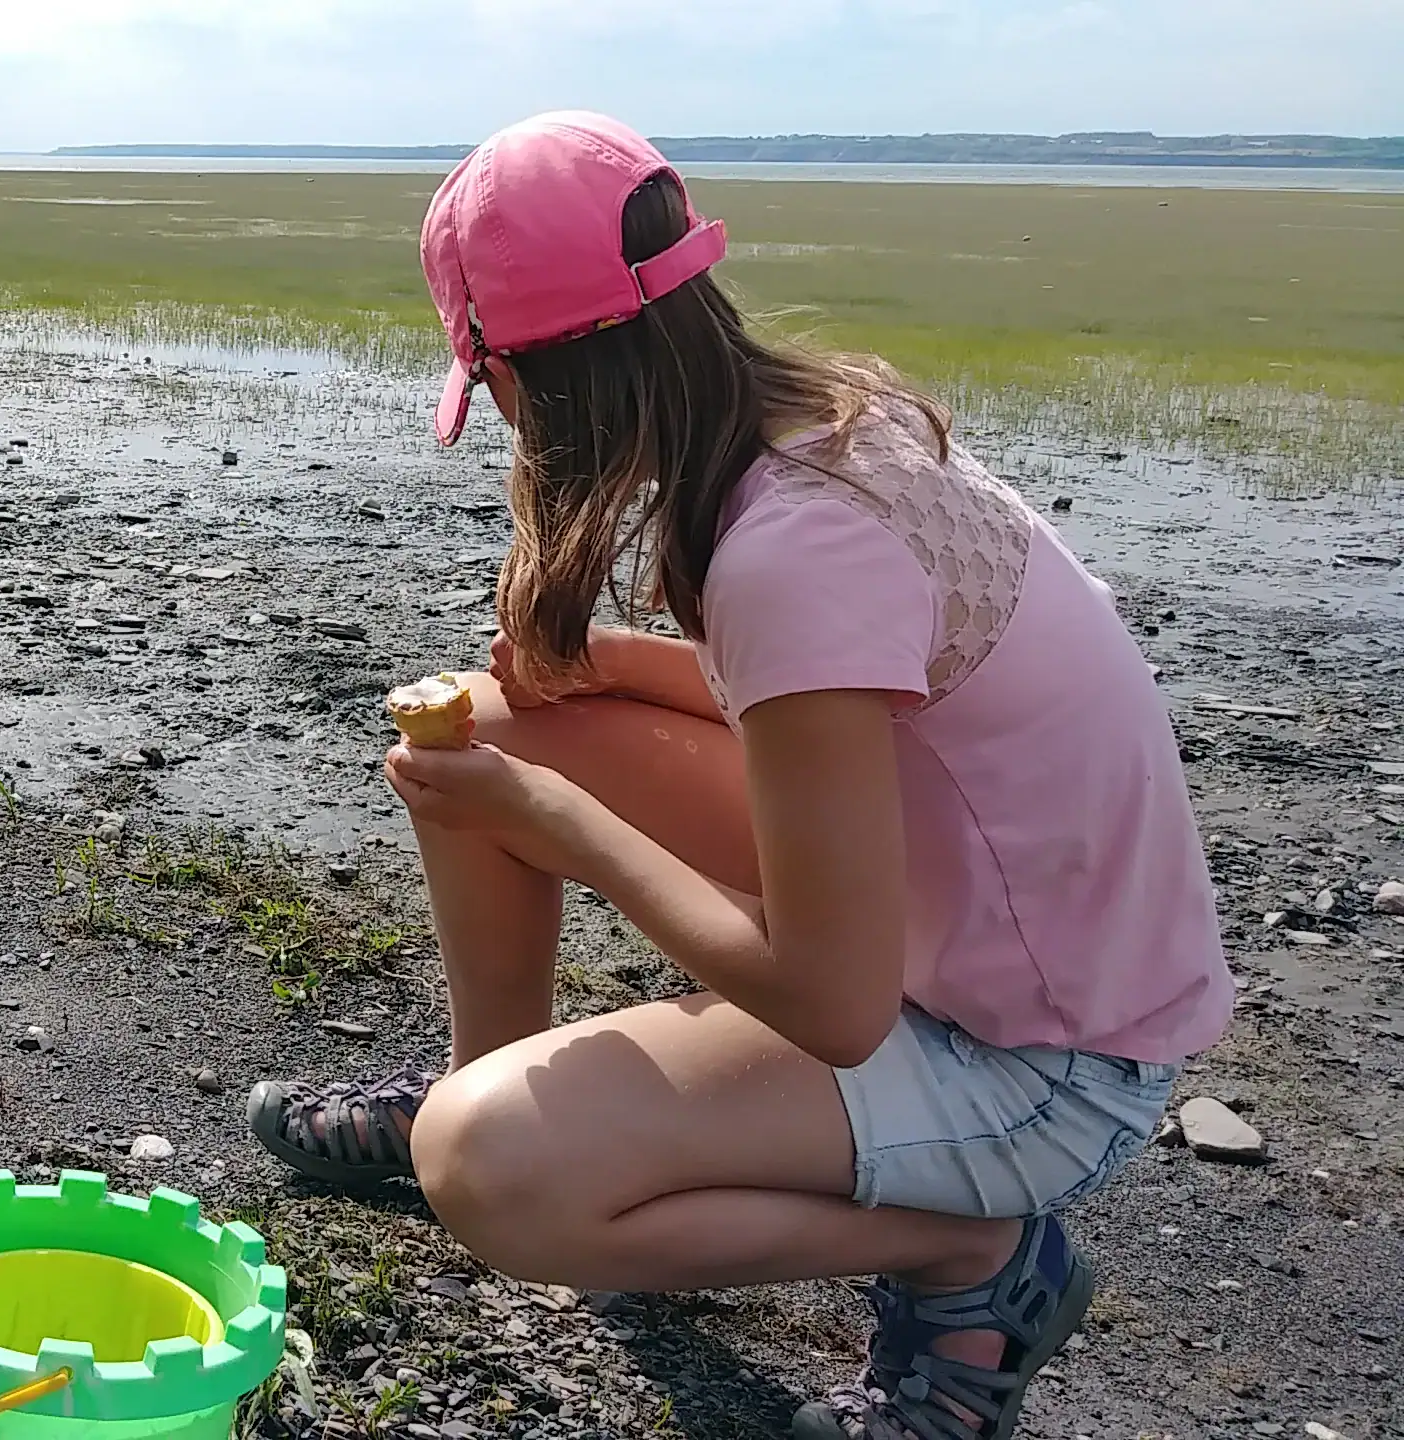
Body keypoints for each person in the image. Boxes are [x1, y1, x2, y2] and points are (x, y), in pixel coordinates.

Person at [244, 112, 1229, 1440]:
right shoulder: (827, 425)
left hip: (1044, 1069)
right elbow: (841, 704)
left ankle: (975, 1261)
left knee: (490, 1169)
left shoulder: (790, 552)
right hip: (975, 923)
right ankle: (491, 1068)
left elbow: (836, 1006)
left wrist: (559, 823)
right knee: (493, 725)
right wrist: (605, 668)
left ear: (527, 377)